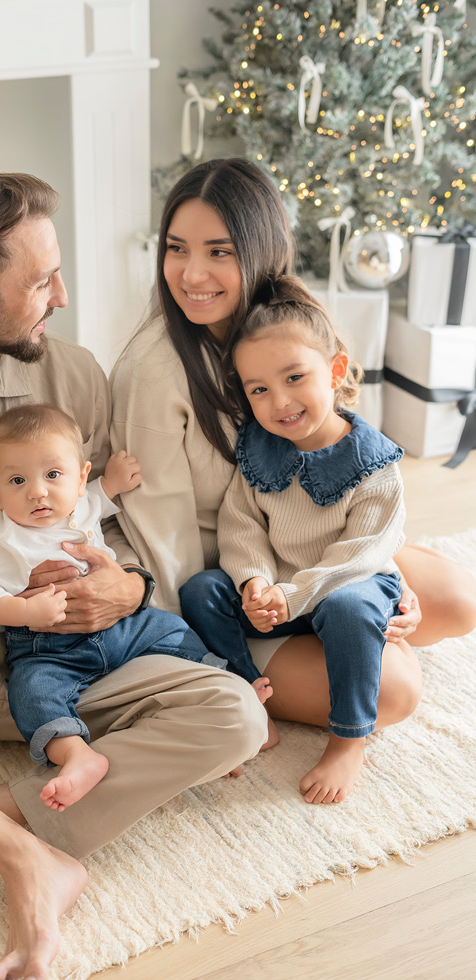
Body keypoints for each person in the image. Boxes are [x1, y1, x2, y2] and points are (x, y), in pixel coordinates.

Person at [0, 171, 268, 980]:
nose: (62, 294)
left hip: (81, 660)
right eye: (41, 281)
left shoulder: (73, 374)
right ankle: (23, 857)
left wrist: (125, 588)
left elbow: (119, 522)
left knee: (235, 715)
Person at [110, 156, 476, 767]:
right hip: (238, 573)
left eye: (219, 252)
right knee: (397, 689)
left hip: (315, 537)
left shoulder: (286, 318)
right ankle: (309, 664)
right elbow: (164, 543)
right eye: (177, 248)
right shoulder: (154, 371)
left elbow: (347, 450)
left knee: (458, 599)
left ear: (259, 250)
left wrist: (383, 579)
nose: (192, 273)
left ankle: (352, 628)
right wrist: (224, 632)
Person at [180, 276, 408, 804]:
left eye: (294, 378)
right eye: (259, 389)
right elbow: (242, 524)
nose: (278, 401)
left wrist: (293, 593)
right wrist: (255, 582)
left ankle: (350, 738)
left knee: (351, 607)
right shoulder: (260, 449)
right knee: (200, 590)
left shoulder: (374, 464)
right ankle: (249, 701)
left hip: (346, 587)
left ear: (334, 371)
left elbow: (363, 554)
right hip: (281, 593)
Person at [0, 402, 239, 812]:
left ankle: (223, 681)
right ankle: (75, 754)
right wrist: (24, 613)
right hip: (48, 647)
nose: (38, 491)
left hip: (119, 627)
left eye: (53, 475)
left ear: (79, 477)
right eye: (17, 480)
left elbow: (99, 497)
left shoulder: (81, 504)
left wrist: (114, 481)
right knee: (31, 691)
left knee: (170, 627)